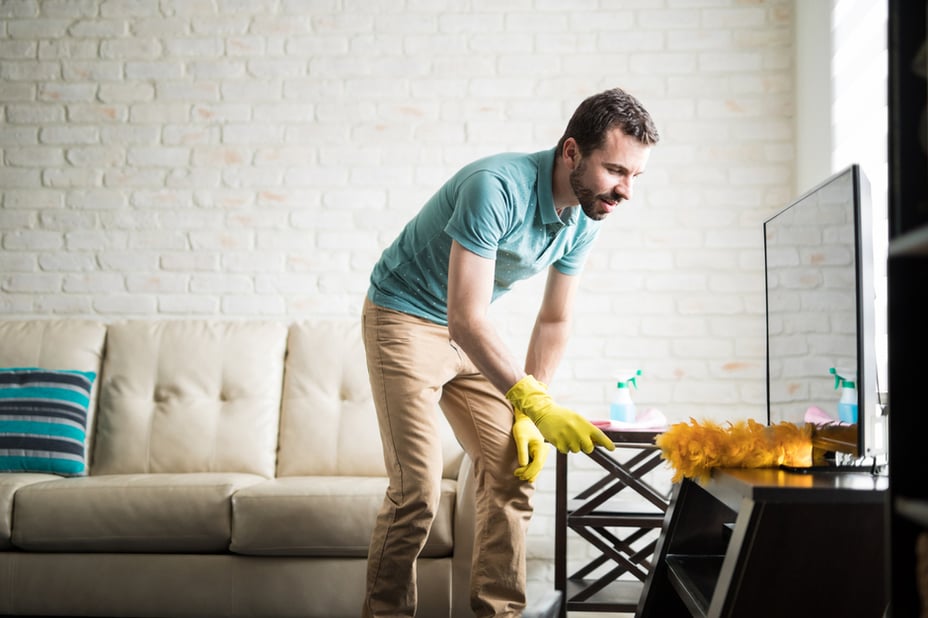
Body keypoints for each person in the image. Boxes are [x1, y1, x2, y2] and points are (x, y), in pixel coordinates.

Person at [361, 87, 660, 617]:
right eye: (616, 170)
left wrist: (527, 404)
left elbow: (554, 318)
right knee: (417, 494)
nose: (626, 190)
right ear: (572, 152)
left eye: (635, 175)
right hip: (404, 317)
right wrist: (538, 406)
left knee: (512, 469)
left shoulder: (585, 218)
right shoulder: (493, 187)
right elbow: (466, 318)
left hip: (465, 331)